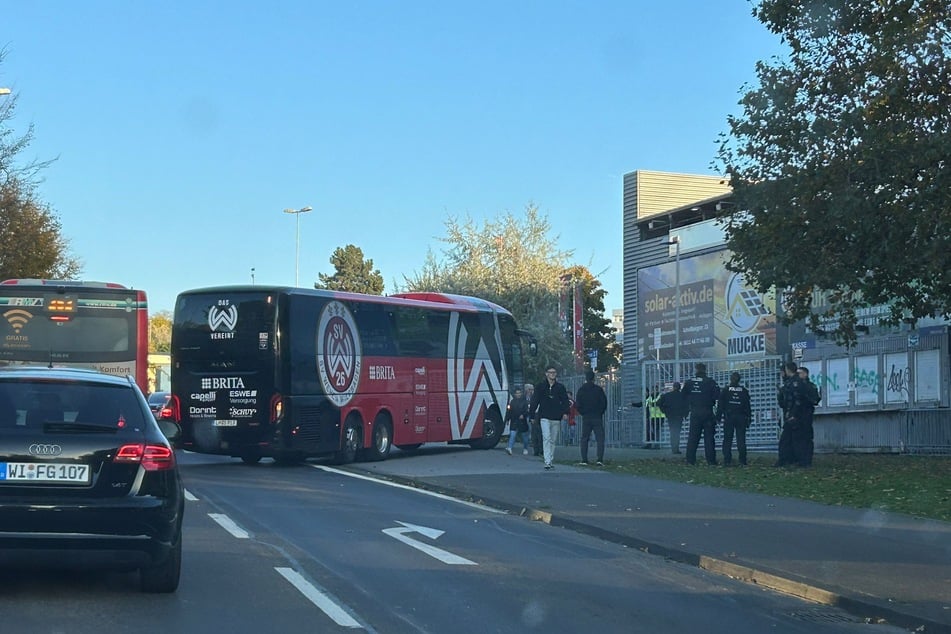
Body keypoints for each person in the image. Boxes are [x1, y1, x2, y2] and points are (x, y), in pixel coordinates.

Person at [529, 366, 570, 470]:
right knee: (546, 437)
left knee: (553, 439)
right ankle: (547, 461)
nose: (552, 374)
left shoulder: (560, 387)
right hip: (544, 416)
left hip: (556, 417)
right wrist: (532, 414)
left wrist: (565, 412)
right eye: (550, 372)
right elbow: (535, 400)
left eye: (554, 372)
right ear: (546, 374)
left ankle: (550, 459)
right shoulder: (541, 387)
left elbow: (565, 400)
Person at [683, 362, 720, 465]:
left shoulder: (689, 382)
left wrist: (686, 410)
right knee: (709, 438)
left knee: (693, 437)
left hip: (695, 412)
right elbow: (717, 396)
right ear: (705, 370)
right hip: (707, 412)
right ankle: (711, 461)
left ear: (696, 370)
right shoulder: (710, 382)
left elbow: (683, 396)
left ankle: (690, 460)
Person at [776, 361, 809, 467]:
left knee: (795, 440)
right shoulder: (793, 381)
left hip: (795, 416)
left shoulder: (795, 382)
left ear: (788, 370)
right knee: (789, 440)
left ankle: (798, 461)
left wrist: (792, 414)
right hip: (793, 414)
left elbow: (796, 400)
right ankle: (788, 460)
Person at [574, 369, 607, 466]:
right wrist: (600, 412)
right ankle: (599, 459)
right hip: (597, 416)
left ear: (586, 378)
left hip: (586, 417)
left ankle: (584, 459)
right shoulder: (598, 390)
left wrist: (583, 413)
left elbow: (578, 404)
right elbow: (604, 403)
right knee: (600, 438)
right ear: (594, 378)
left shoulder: (581, 390)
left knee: (584, 438)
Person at [718, 372, 752, 466]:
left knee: (727, 439)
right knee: (741, 439)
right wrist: (749, 418)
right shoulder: (744, 391)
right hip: (741, 417)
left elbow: (720, 405)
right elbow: (747, 406)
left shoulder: (726, 390)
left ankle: (727, 460)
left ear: (730, 379)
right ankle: (742, 460)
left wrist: (718, 417)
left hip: (729, 417)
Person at [797, 366, 821, 466]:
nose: (798, 375)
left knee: (806, 437)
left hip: (806, 413)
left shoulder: (810, 386)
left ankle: (806, 460)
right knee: (799, 438)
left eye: (800, 373)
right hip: (798, 414)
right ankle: (801, 459)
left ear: (805, 374)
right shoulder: (797, 385)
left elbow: (815, 400)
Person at [656, 382, 689, 454]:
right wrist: (685, 414)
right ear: (680, 388)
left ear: (673, 387)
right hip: (679, 416)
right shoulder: (683, 396)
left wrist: (664, 411)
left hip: (671, 416)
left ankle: (673, 448)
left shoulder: (667, 395)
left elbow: (658, 403)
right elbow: (687, 406)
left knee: (672, 431)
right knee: (677, 432)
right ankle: (676, 448)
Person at [504, 387, 530, 455]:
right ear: (515, 394)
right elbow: (509, 411)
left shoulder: (524, 402)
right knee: (512, 435)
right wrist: (507, 419)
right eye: (517, 393)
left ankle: (525, 448)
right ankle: (509, 448)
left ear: (521, 393)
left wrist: (523, 415)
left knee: (524, 437)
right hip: (514, 421)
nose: (518, 394)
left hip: (522, 422)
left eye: (519, 393)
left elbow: (527, 411)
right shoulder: (512, 402)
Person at [524, 382, 541, 456]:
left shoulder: (536, 396)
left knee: (538, 433)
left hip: (537, 414)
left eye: (532, 389)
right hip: (531, 415)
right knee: (533, 432)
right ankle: (536, 450)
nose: (531, 391)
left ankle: (540, 449)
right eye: (529, 389)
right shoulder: (525, 397)